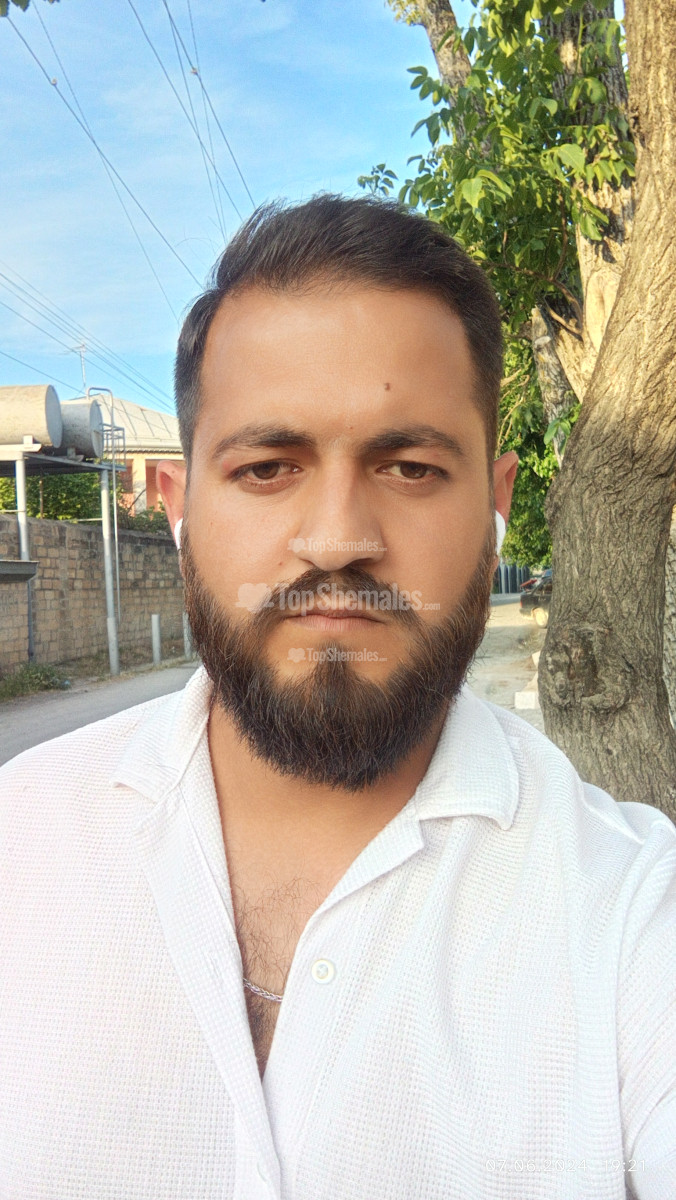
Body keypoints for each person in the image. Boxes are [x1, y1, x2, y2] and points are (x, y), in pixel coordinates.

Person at [1, 195, 674, 1200]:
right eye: (267, 467)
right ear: (180, 512)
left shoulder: (630, 914)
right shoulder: (18, 842)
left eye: (409, 467)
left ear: (495, 508)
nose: (336, 540)